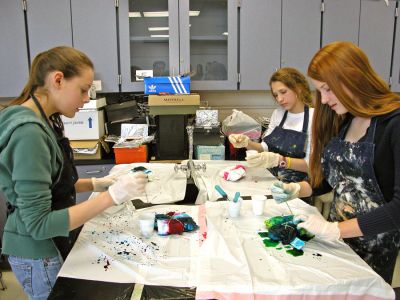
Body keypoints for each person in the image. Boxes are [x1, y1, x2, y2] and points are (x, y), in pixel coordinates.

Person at [0, 46, 148, 299]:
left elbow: (52, 183)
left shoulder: (45, 121)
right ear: (58, 80)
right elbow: (38, 225)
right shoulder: (29, 133)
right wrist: (113, 195)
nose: (86, 98)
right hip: (39, 252)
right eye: (82, 89)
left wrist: (96, 183)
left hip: (48, 245)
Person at [271, 41, 400, 284]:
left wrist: (336, 229)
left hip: (375, 247)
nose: (325, 99)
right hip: (339, 244)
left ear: (353, 78)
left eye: (328, 89)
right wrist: (298, 188)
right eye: (320, 91)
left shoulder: (392, 124)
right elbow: (331, 182)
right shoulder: (345, 121)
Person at [229, 67, 314, 185]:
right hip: (270, 183)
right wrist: (246, 143)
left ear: (298, 88)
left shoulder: (313, 118)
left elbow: (312, 166)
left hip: (297, 190)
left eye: (283, 92)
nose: (280, 99)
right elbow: (265, 147)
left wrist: (280, 160)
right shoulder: (278, 114)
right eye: (276, 95)